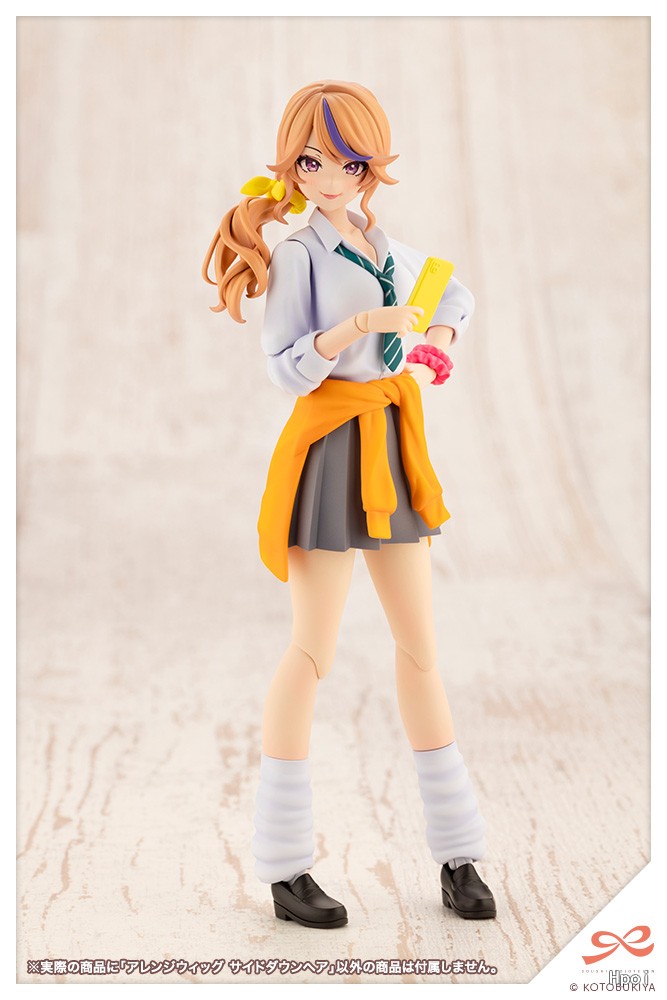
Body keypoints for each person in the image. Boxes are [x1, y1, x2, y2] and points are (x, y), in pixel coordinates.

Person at [202, 80, 496, 928]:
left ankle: (458, 853)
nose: (331, 177)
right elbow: (285, 365)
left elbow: (452, 294)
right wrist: (358, 329)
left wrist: (433, 339)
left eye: (350, 163)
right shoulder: (299, 252)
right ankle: (285, 866)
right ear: (292, 166)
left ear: (372, 167)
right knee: (312, 651)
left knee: (419, 649)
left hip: (392, 449)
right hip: (329, 447)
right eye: (313, 162)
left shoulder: (382, 244)